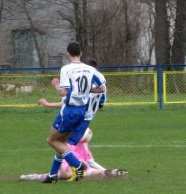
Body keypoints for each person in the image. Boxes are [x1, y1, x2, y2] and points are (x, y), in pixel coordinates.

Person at [42, 42, 106, 183]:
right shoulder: (90, 69)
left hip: (70, 110)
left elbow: (64, 92)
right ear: (81, 53)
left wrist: (57, 85)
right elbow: (102, 89)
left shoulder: (66, 69)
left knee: (52, 140)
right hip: (82, 112)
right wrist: (86, 90)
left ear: (68, 54)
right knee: (62, 143)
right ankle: (53, 174)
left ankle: (78, 165)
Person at [20, 128, 128, 181]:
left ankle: (110, 172)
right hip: (71, 164)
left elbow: (91, 162)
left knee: (98, 174)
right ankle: (35, 177)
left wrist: (105, 169)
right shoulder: (69, 143)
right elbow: (61, 151)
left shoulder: (84, 145)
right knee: (68, 175)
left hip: (84, 167)